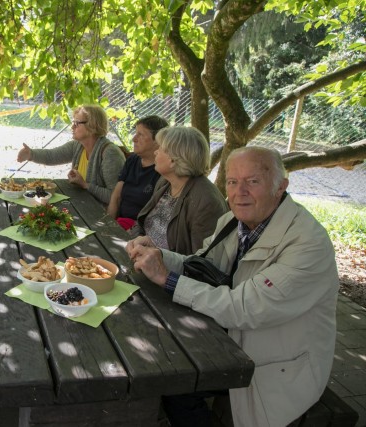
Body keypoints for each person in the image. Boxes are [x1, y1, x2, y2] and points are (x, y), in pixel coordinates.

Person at [127, 146, 339, 426]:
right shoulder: (233, 221)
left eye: (253, 181)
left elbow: (245, 308)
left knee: (172, 380)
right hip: (231, 339)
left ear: (281, 187)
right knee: (155, 354)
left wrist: (168, 279)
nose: (240, 192)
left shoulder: (308, 243)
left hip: (279, 365)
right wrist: (158, 255)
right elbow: (200, 264)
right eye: (232, 181)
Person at [127, 126, 228, 254]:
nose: (155, 152)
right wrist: (133, 239)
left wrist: (159, 255)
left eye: (160, 149)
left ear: (173, 159)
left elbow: (200, 261)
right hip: (140, 255)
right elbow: (144, 223)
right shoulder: (165, 182)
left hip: (165, 271)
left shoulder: (206, 202)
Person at [16, 105, 126, 204]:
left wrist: (85, 185)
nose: (72, 127)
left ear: (93, 126)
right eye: (73, 122)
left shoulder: (110, 153)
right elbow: (52, 156)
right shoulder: (78, 145)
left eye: (77, 123)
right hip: (84, 205)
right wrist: (30, 154)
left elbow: (116, 197)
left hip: (101, 215)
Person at [107, 115, 169, 230]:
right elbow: (116, 196)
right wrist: (109, 225)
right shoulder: (133, 160)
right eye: (135, 133)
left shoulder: (163, 170)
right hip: (120, 224)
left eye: (140, 135)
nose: (134, 139)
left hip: (140, 231)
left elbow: (158, 217)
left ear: (158, 140)